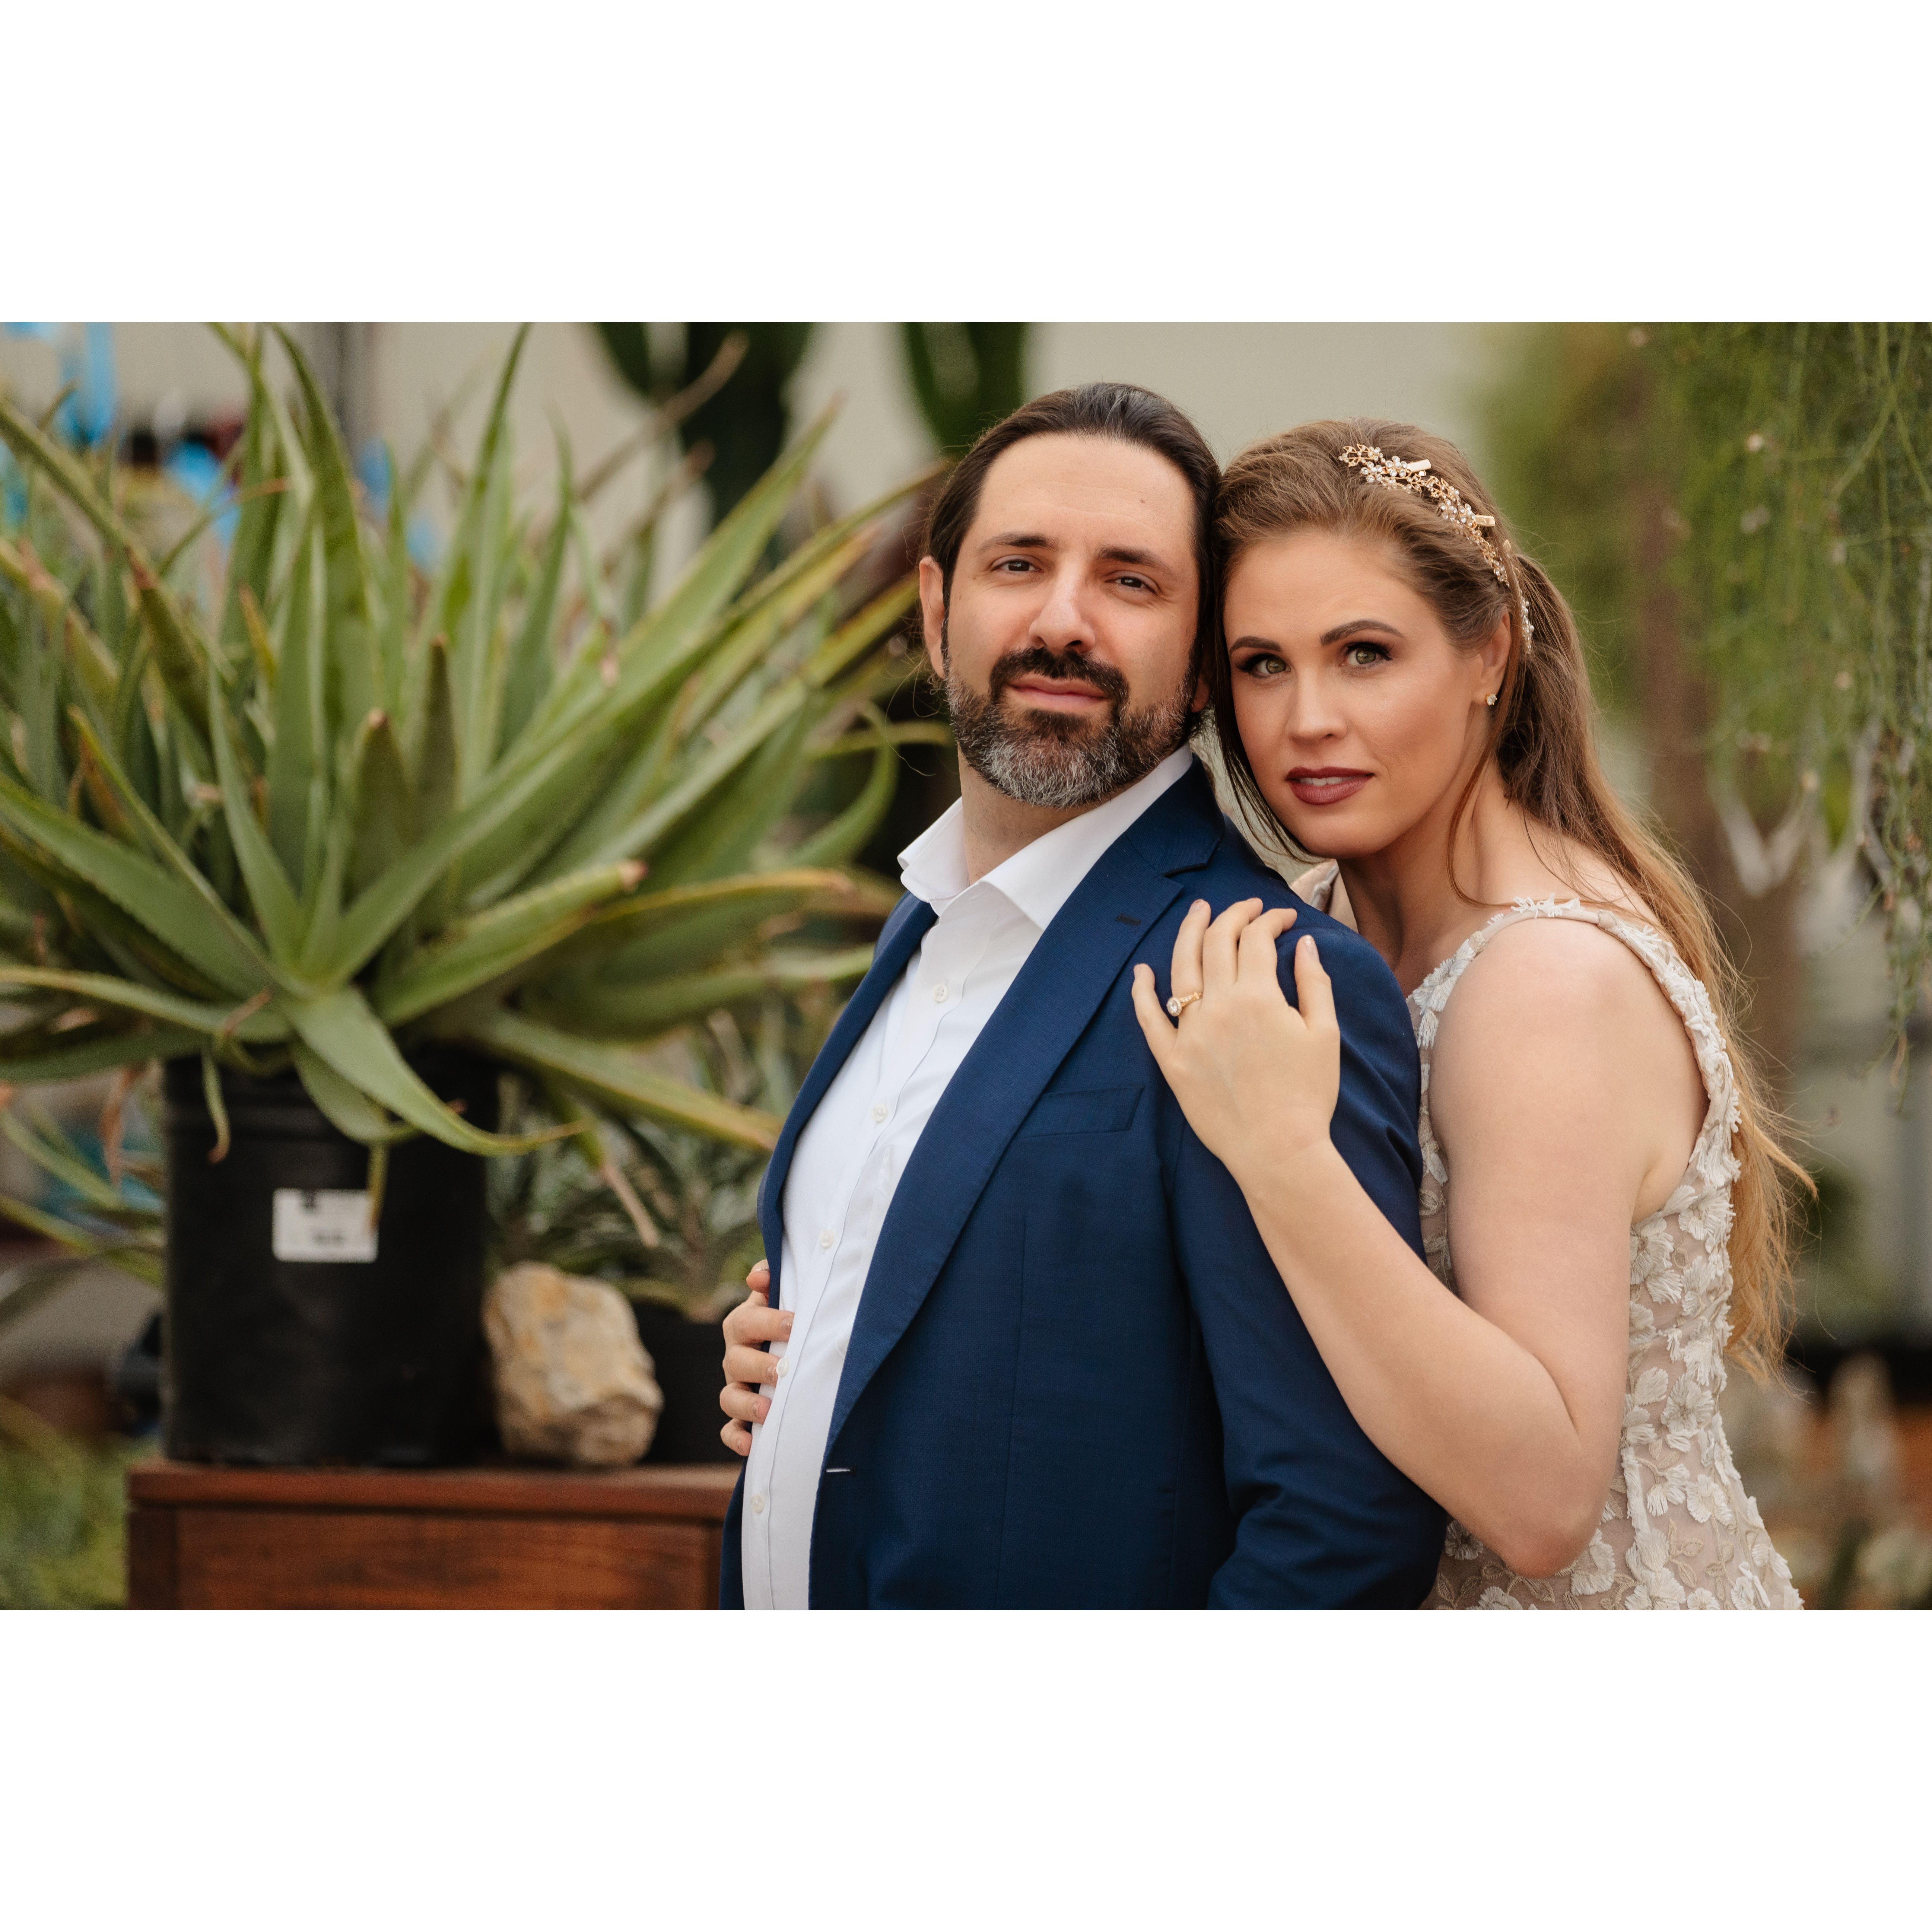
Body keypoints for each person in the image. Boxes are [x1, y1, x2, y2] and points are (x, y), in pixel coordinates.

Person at [714, 383, 1444, 1608]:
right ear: (937, 607)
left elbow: (1342, 1526)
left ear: (1202, 663)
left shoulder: (1254, 971)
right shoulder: (920, 925)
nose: (1064, 620)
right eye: (1018, 563)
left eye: (1131, 581)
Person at [1127, 421, 1804, 1609]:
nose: (1304, 720)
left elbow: (1540, 1500)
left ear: (1487, 651)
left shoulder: (1544, 982)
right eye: (1261, 663)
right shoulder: (1304, 921)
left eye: (1363, 653)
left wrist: (1284, 1155)